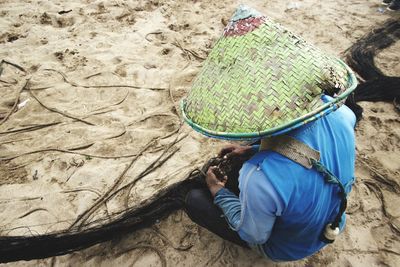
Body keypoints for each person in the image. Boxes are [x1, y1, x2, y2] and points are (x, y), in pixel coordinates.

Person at [180, 5, 358, 262]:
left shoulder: (259, 178)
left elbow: (255, 235)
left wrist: (218, 191)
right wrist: (251, 150)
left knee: (196, 200)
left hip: (287, 248)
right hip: (330, 223)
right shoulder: (343, 116)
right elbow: (309, 153)